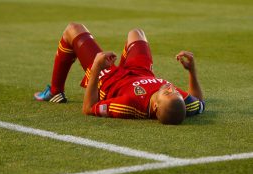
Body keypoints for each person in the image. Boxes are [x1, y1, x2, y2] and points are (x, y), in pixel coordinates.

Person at [34, 22, 205, 124]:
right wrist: (192, 71)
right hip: (141, 71)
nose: (171, 88)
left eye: (168, 93)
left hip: (108, 77)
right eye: (175, 92)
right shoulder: (180, 103)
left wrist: (96, 68)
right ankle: (121, 63)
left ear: (155, 106)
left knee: (73, 29)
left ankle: (55, 92)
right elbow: (199, 102)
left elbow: (88, 108)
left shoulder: (128, 104)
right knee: (136, 33)